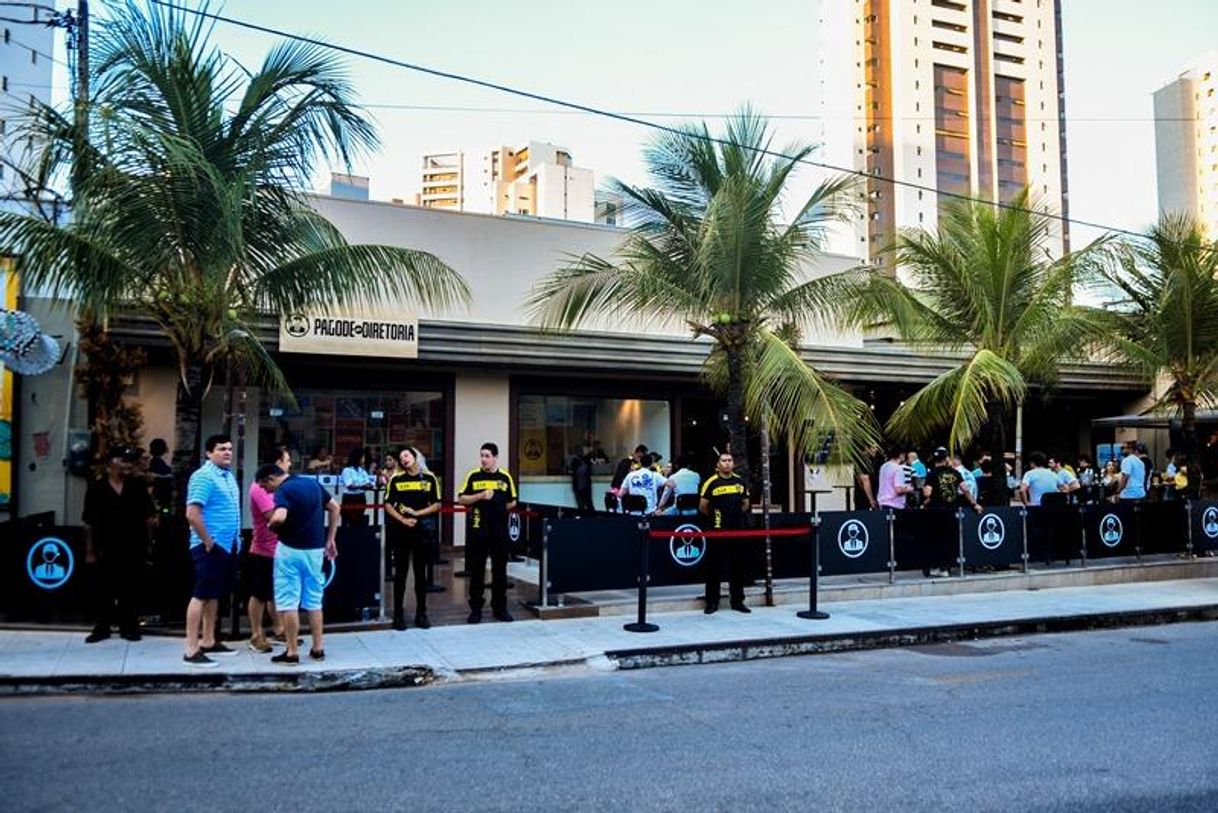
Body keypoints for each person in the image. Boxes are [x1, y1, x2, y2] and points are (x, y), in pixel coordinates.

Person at [265, 466, 340, 665]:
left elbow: (280, 516)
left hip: (289, 550)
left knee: (289, 602)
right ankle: (318, 648)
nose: (267, 491)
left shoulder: (284, 490)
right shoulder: (312, 484)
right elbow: (335, 507)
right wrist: (330, 539)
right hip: (315, 550)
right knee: (315, 600)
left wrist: (271, 524)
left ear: (272, 478)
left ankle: (292, 652)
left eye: (266, 486)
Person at [82, 448, 155, 643]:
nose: (127, 464)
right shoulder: (96, 488)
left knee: (130, 588)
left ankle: (128, 626)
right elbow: (88, 521)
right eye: (122, 460)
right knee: (103, 588)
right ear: (109, 464)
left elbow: (149, 517)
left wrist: (148, 543)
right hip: (104, 546)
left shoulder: (137, 486)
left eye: (129, 461)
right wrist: (89, 550)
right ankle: (102, 627)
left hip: (133, 545)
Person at [183, 434, 241, 667]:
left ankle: (209, 640)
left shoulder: (228, 476)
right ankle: (191, 649)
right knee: (201, 594)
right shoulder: (204, 476)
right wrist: (208, 541)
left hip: (227, 545)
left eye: (229, 448)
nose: (227, 452)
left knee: (214, 594)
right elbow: (192, 513)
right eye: (221, 449)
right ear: (209, 453)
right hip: (210, 545)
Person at [457, 442, 518, 623]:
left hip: (499, 530)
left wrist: (498, 510)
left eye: (487, 456)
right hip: (478, 529)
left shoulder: (505, 477)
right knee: (477, 571)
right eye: (482, 455)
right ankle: (475, 609)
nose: (483, 459)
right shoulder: (473, 476)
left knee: (500, 570)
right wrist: (480, 496)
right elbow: (461, 499)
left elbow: (512, 501)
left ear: (495, 458)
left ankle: (500, 608)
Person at [384, 446, 442, 630]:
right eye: (401, 457)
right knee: (400, 575)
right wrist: (402, 519)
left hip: (421, 532)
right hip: (401, 532)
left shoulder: (430, 478)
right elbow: (387, 504)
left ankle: (421, 613)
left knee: (420, 574)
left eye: (407, 455)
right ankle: (399, 615)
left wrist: (417, 513)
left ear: (415, 456)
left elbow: (436, 504)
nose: (404, 459)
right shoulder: (396, 479)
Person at [247, 455, 290, 653]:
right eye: (286, 461)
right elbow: (272, 516)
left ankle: (279, 629)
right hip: (263, 549)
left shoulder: (283, 487)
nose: (289, 465)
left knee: (276, 592)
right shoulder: (259, 488)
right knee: (260, 594)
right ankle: (256, 634)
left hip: (280, 548)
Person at [699, 451, 751, 614]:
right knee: (714, 567)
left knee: (737, 567)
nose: (727, 463)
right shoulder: (711, 483)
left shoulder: (740, 482)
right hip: (717, 531)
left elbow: (745, 504)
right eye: (724, 460)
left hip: (737, 531)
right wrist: (717, 519)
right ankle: (712, 602)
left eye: (730, 460)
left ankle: (737, 601)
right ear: (718, 464)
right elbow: (703, 506)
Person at [922, 447, 983, 577]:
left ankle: (935, 567)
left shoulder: (932, 473)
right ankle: (946, 568)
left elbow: (927, 493)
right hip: (952, 511)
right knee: (949, 539)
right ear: (946, 459)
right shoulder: (955, 473)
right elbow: (965, 490)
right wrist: (975, 504)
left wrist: (927, 498)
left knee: (935, 539)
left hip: (936, 511)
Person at [338, 447, 376, 526]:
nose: (364, 459)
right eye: (362, 457)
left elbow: (367, 482)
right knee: (348, 521)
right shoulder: (347, 470)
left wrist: (371, 486)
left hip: (361, 497)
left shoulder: (362, 471)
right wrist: (363, 486)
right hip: (349, 498)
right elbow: (349, 485)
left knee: (359, 520)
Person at [608, 444, 648, 511]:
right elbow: (622, 477)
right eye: (642, 456)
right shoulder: (627, 462)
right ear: (639, 452)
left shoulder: (629, 462)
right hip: (620, 489)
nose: (641, 458)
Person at [148, 438, 174, 513]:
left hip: (161, 496)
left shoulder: (155, 462)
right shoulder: (157, 463)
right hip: (162, 496)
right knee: (165, 512)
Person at [854, 445, 884, 510]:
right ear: (866, 448)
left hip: (874, 494)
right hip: (863, 498)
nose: (875, 450)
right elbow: (865, 480)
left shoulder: (874, 460)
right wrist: (871, 500)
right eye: (873, 448)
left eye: (876, 448)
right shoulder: (862, 461)